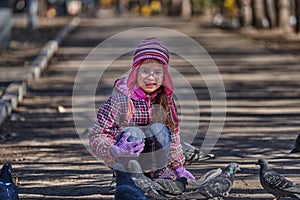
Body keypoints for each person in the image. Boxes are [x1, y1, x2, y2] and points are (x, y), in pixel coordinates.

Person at [89, 37, 195, 188]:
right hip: (125, 158)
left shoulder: (165, 100)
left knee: (160, 130)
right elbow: (97, 136)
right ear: (135, 71)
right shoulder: (121, 99)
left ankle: (159, 174)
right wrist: (114, 150)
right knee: (133, 132)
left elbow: (174, 135)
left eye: (157, 72)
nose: (151, 77)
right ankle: (124, 176)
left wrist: (178, 168)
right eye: (145, 71)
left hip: (154, 162)